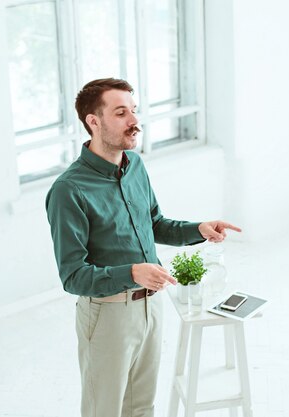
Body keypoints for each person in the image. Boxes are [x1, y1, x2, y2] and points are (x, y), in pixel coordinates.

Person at [45, 78, 240, 417]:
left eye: (133, 111)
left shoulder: (135, 167)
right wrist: (132, 272)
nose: (134, 121)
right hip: (107, 316)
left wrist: (200, 229)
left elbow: (155, 223)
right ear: (94, 121)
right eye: (121, 113)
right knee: (103, 410)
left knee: (141, 409)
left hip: (152, 308)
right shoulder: (69, 191)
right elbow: (73, 276)